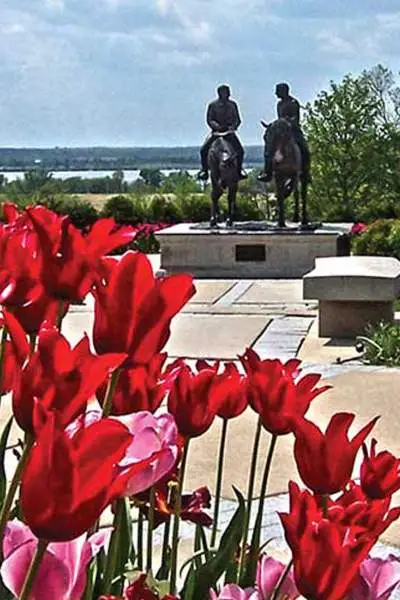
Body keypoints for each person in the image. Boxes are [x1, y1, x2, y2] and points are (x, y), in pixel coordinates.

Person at [258, 82, 311, 182]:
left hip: (293, 130)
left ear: (284, 91)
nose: (276, 94)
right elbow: (280, 118)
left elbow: (296, 118)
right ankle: (267, 171)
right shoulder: (279, 104)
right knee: (269, 146)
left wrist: (288, 121)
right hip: (281, 130)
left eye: (277, 91)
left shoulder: (293, 102)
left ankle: (305, 172)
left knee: (304, 148)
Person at [197, 85, 247, 181]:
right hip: (216, 133)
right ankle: (204, 170)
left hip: (229, 132)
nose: (226, 95)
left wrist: (232, 127)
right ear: (219, 93)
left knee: (240, 150)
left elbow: (237, 119)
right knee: (203, 149)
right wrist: (217, 127)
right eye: (224, 92)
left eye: (227, 92)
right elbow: (210, 119)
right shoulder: (213, 105)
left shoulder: (233, 105)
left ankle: (239, 169)